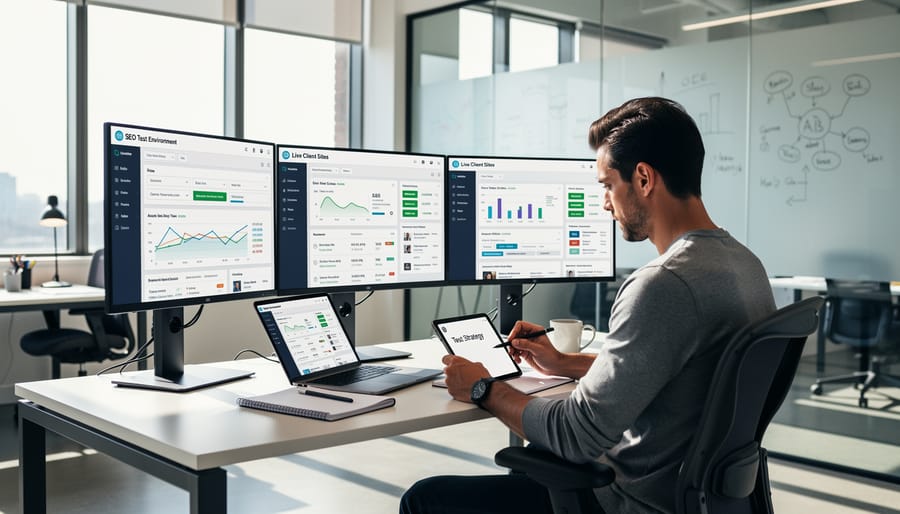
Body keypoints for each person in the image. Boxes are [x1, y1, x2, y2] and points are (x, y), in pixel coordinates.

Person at [400, 97, 776, 514]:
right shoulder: (745, 265)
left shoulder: (662, 284)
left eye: (606, 185)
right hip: (706, 499)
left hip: (633, 502)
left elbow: (577, 435)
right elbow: (684, 372)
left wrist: (483, 387)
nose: (604, 203)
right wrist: (567, 364)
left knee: (425, 499)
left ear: (644, 179)